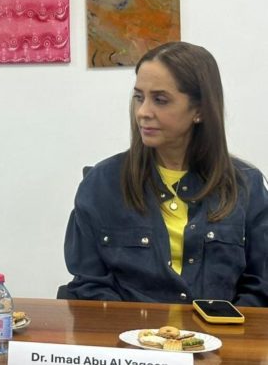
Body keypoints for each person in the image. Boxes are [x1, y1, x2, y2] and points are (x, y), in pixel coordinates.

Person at [64, 41, 268, 306]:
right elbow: (89, 285)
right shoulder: (101, 184)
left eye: (160, 100)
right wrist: (136, 331)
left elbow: (261, 287)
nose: (143, 112)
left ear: (199, 110)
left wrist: (223, 327)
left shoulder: (246, 186)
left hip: (222, 332)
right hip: (129, 331)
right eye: (139, 97)